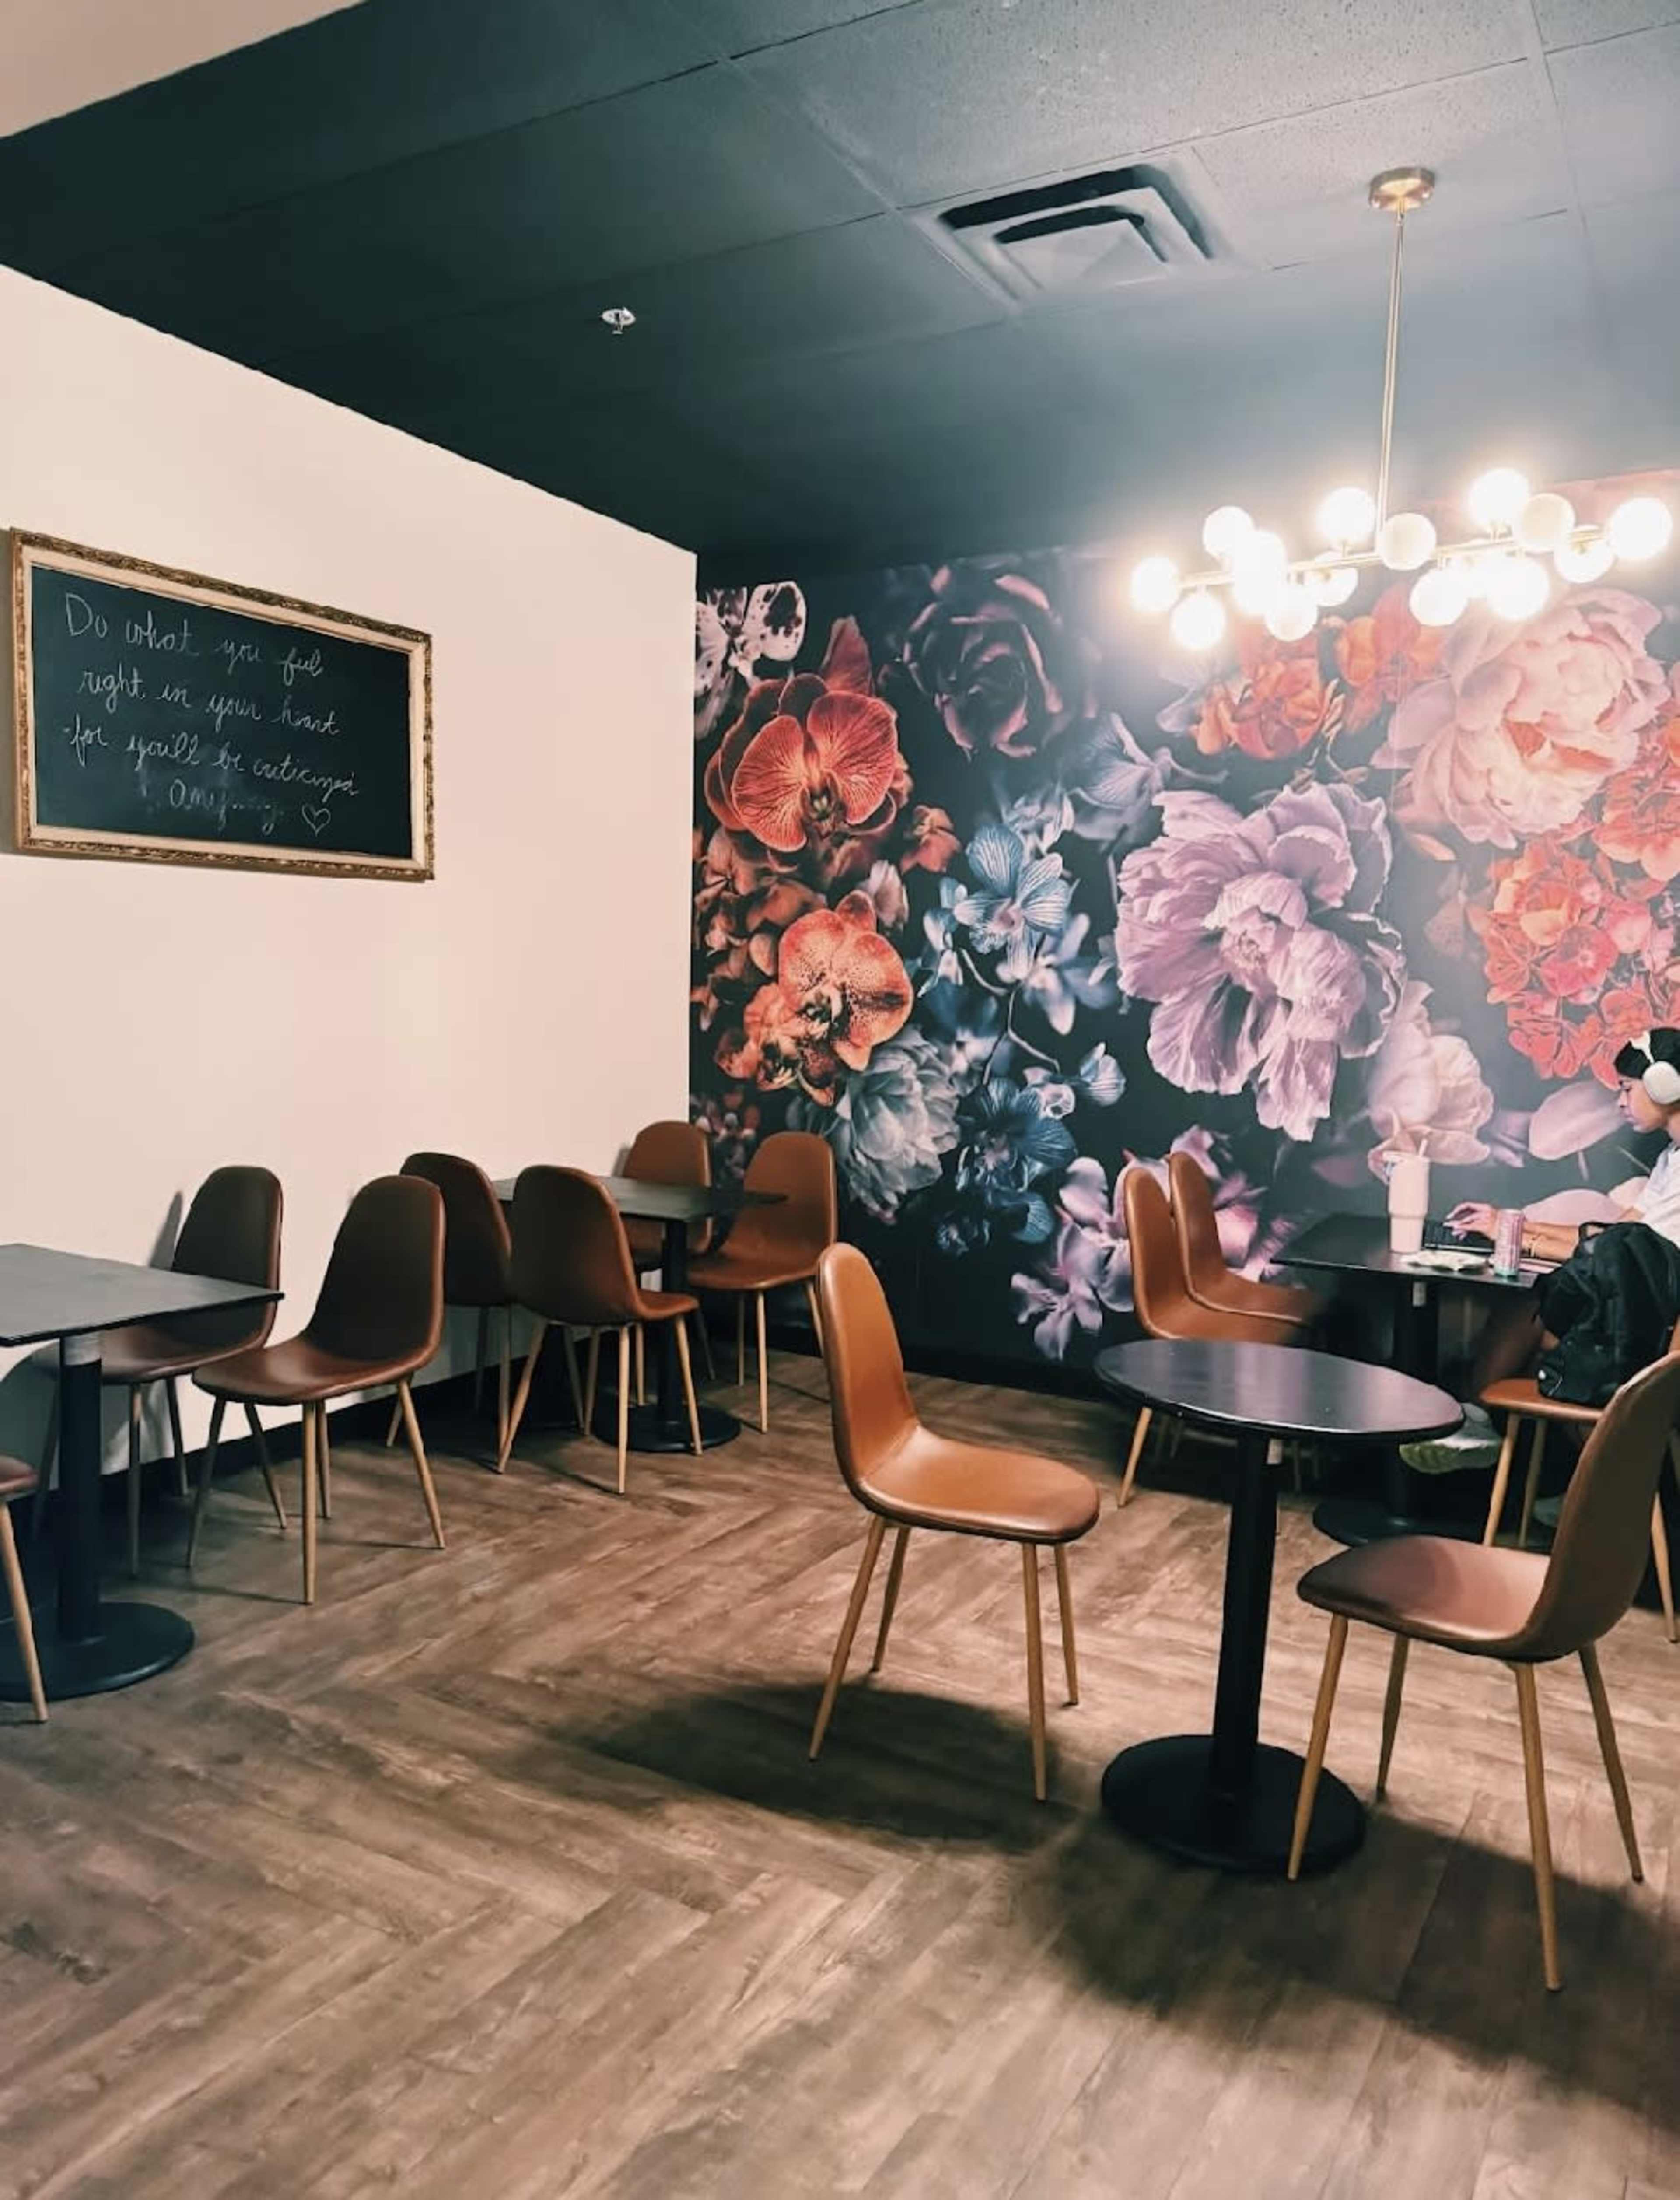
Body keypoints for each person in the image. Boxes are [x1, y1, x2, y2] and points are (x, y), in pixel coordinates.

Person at [1455, 1027, 1680, 1387]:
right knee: (1533, 1308)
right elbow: (1616, 1236)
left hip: (1646, 1332)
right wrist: (1513, 1226)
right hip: (1637, 1314)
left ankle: (1474, 1419)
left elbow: (1610, 1255)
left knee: (1529, 1307)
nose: (1621, 1103)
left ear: (1664, 1085)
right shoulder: (1672, 1159)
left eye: (1627, 1089)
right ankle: (1485, 1421)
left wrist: (1513, 1238)